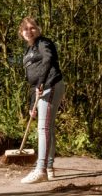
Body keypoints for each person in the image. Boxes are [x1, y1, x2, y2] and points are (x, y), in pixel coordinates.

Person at [18, 17, 66, 184]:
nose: (29, 31)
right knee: (48, 128)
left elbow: (48, 60)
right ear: (21, 32)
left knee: (43, 127)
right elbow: (32, 81)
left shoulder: (43, 43)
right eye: (26, 28)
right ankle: (49, 167)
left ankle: (41, 170)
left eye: (33, 27)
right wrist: (33, 104)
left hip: (51, 84)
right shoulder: (28, 51)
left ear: (38, 29)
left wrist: (42, 82)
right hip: (41, 88)